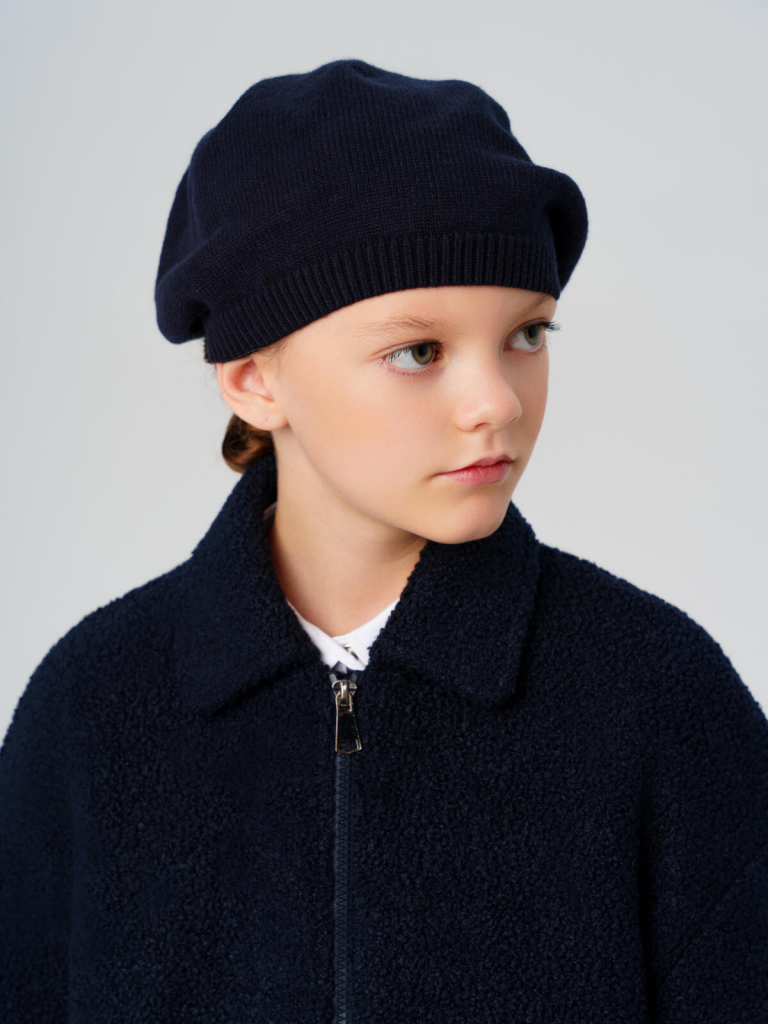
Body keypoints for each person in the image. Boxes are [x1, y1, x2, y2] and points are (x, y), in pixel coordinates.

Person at [1, 57, 766, 1024]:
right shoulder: (93, 711)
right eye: (418, 351)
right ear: (253, 381)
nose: (497, 402)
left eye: (528, 335)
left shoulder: (658, 698)